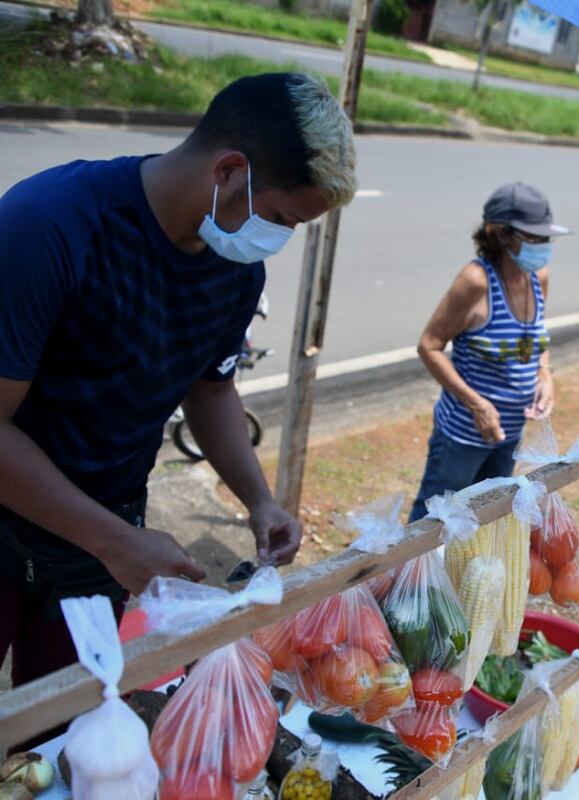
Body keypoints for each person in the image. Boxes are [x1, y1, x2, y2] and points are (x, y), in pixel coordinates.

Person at [0, 72, 357, 689]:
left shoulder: (236, 270)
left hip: (100, 539)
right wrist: (116, 542)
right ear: (229, 171)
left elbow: (211, 390)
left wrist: (259, 499)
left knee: (63, 721)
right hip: (25, 515)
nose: (278, 239)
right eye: (280, 218)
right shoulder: (49, 226)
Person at [409, 182, 568, 520]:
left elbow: (535, 337)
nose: (542, 246)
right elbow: (429, 346)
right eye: (533, 237)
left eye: (545, 238)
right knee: (434, 522)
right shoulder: (476, 281)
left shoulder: (538, 276)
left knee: (486, 517)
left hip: (509, 432)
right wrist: (477, 404)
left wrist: (544, 373)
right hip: (463, 435)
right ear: (501, 235)